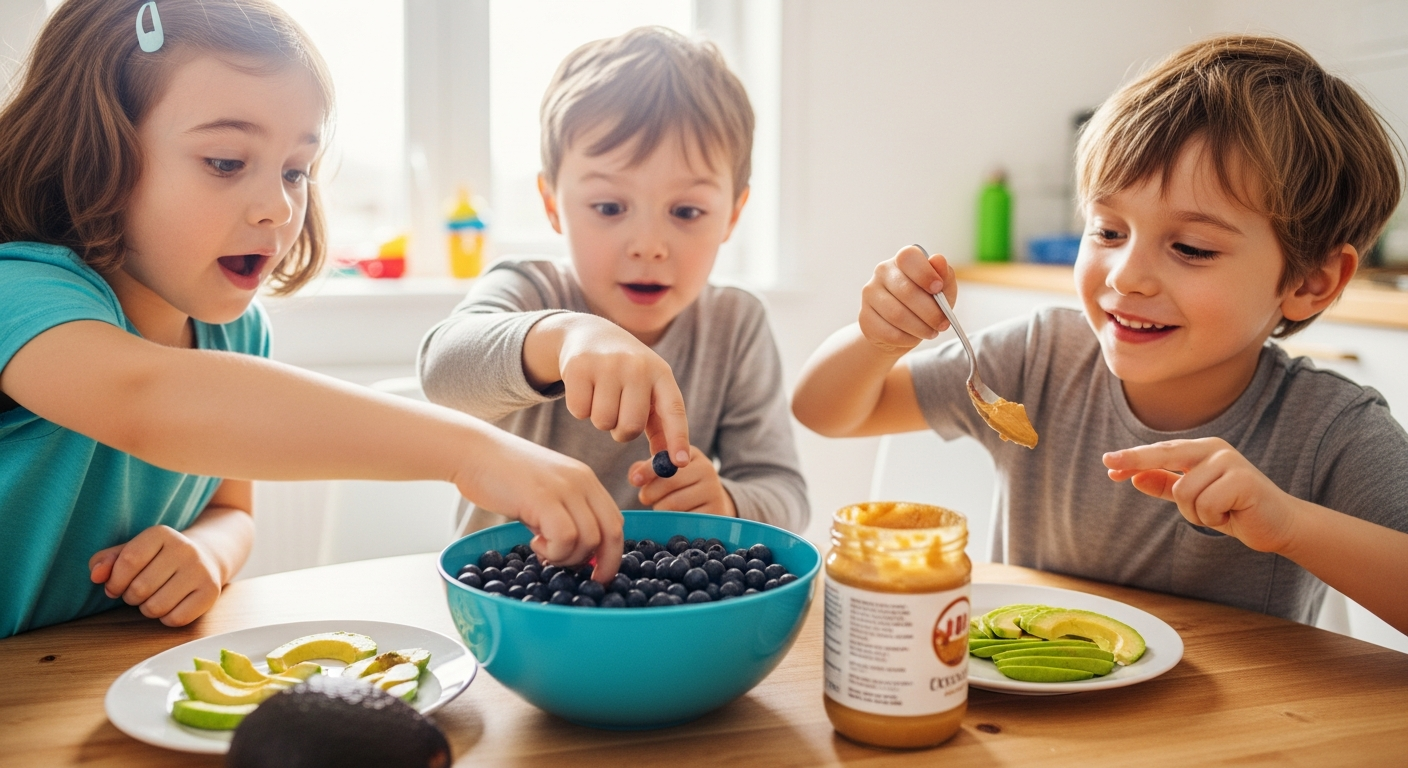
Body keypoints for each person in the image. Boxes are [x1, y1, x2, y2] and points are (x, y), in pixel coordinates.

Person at [0, 0, 623, 640]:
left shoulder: (238, 333)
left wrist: (209, 555)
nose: (278, 207)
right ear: (93, 153)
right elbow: (147, 399)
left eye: (296, 170)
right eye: (225, 162)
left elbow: (229, 508)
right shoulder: (15, 291)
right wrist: (472, 452)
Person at [791, 35, 1408, 633]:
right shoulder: (1037, 359)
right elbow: (826, 412)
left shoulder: (1330, 427)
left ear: (1311, 281)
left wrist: (1292, 527)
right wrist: (879, 342)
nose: (1128, 276)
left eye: (1191, 248)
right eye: (1108, 232)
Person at [419, 27, 808, 535]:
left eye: (687, 211)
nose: (648, 244)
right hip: (514, 599)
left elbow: (785, 493)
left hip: (664, 605)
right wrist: (562, 337)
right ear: (553, 203)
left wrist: (730, 501)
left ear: (733, 215)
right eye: (608, 207)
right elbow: (441, 372)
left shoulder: (735, 324)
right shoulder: (530, 291)